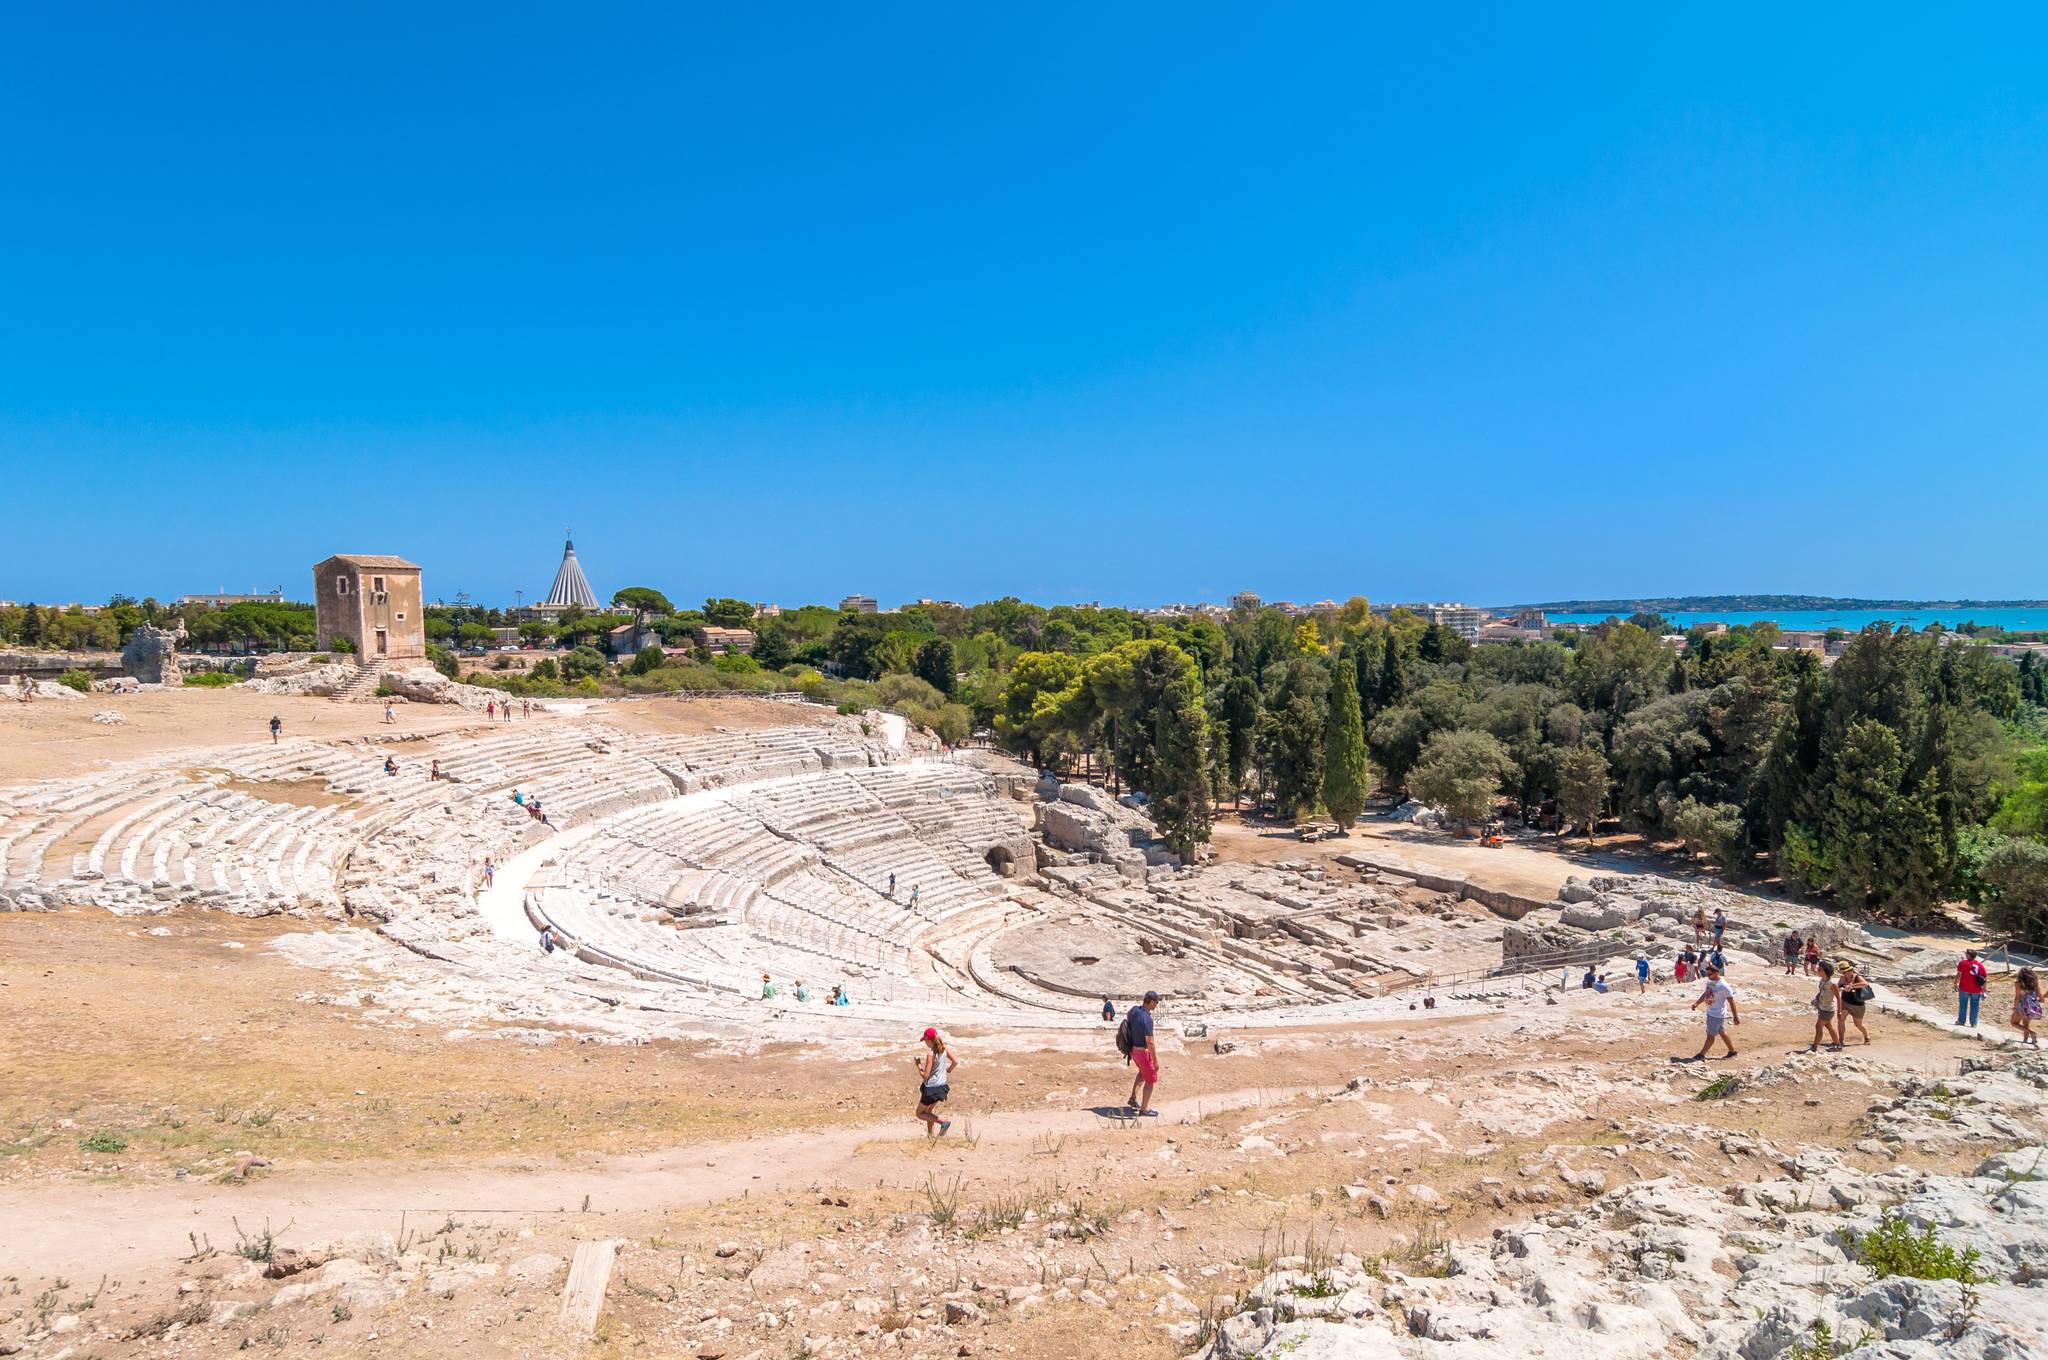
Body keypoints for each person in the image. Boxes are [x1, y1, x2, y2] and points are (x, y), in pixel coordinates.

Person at [1685, 965, 1738, 1061]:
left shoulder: (1723, 986)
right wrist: (1697, 1003)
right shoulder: (1710, 982)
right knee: (1721, 1032)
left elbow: (1731, 1001)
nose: (1708, 976)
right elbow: (1706, 994)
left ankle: (1701, 1054)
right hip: (1711, 1012)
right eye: (1707, 974)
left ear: (1716, 973)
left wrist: (1735, 1016)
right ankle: (1732, 1051)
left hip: (1716, 1014)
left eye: (1710, 974)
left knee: (1710, 1035)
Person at [1124, 990, 1161, 1117]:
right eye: (1156, 1002)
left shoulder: (1134, 1010)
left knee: (1141, 1072)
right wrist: (1155, 1061)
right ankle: (1144, 1109)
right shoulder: (1147, 1019)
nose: (1156, 1005)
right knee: (1150, 1080)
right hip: (1143, 1052)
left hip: (1133, 1050)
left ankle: (1133, 1098)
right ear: (1151, 1002)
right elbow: (1150, 1042)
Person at [914, 1027, 955, 1137]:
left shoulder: (931, 1054)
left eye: (925, 1041)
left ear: (928, 1040)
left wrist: (918, 1065)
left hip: (932, 1089)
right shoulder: (944, 1048)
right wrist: (949, 1070)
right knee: (929, 1111)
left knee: (920, 1113)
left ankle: (943, 1122)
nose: (925, 1043)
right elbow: (955, 1061)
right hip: (942, 1087)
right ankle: (930, 1136)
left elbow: (925, 1076)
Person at [1835, 960, 1872, 1046]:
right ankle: (1840, 1041)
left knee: (1858, 1024)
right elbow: (1838, 986)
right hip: (1845, 1002)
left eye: (1845, 972)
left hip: (1857, 1005)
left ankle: (1867, 1036)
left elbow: (1865, 984)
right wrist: (1840, 988)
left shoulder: (1857, 977)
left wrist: (1852, 986)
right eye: (1843, 973)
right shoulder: (1842, 978)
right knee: (1841, 1020)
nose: (1844, 974)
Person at [1806, 960, 1840, 1053]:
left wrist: (1839, 1011)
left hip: (1828, 1009)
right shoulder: (1822, 980)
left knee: (1818, 1026)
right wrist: (1816, 998)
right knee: (1828, 1026)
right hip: (1822, 1007)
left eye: (1819, 969)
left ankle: (1814, 1046)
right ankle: (1837, 1044)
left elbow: (1838, 997)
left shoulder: (1832, 984)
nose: (1817, 970)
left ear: (1825, 971)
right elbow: (1821, 991)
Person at [1957, 949, 1989, 1028]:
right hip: (1976, 989)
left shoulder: (1963, 963)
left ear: (1968, 955)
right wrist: (1985, 990)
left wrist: (1955, 983)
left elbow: (1959, 974)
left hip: (1964, 988)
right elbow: (1984, 978)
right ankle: (1973, 1023)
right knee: (1975, 1006)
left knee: (1963, 1005)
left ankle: (1961, 1021)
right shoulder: (1980, 965)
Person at [2013, 967, 2042, 1047]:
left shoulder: (2018, 983)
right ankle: (2025, 1041)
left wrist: (2015, 1007)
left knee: (2014, 1023)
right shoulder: (2034, 984)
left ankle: (2032, 1033)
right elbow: (2041, 998)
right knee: (2026, 1024)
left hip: (2022, 1005)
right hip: (2031, 1007)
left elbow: (2018, 997)